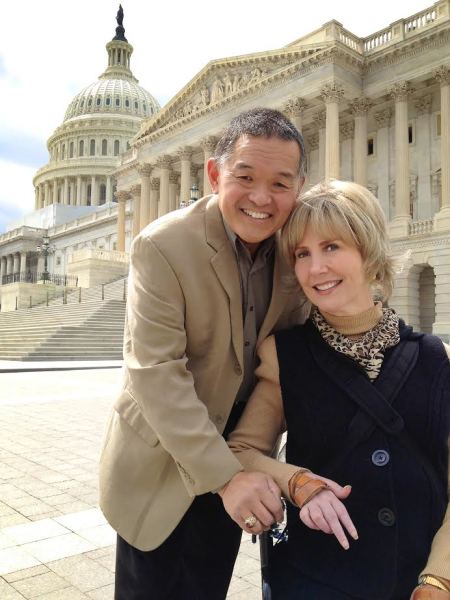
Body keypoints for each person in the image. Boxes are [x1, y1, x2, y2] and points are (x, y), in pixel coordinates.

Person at [99, 107, 311, 600]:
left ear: (299, 188)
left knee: (205, 588)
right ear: (215, 175)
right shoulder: (163, 246)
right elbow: (155, 373)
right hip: (159, 462)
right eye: (245, 177)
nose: (262, 198)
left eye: (281, 183)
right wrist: (227, 477)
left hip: (238, 453)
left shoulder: (296, 250)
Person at [227, 179, 450, 600]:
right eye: (302, 254)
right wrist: (298, 483)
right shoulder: (284, 356)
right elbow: (240, 451)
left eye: (332, 247)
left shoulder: (437, 359)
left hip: (419, 581)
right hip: (319, 580)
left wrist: (439, 578)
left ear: (367, 250)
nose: (316, 269)